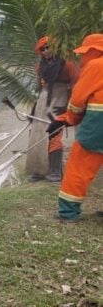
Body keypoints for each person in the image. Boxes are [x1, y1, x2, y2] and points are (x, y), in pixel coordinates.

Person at [49, 33, 103, 221]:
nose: (81, 57)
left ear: (95, 51)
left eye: (84, 53)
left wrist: (67, 119)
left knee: (79, 167)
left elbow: (78, 100)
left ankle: (68, 213)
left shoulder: (96, 66)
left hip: (98, 126)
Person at [28, 36, 80, 182]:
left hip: (60, 99)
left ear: (55, 47)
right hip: (43, 100)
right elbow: (40, 87)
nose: (45, 51)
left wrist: (68, 106)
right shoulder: (40, 66)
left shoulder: (68, 63)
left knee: (54, 134)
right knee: (37, 135)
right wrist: (35, 107)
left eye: (48, 47)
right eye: (42, 49)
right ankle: (38, 170)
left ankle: (55, 172)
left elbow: (76, 84)